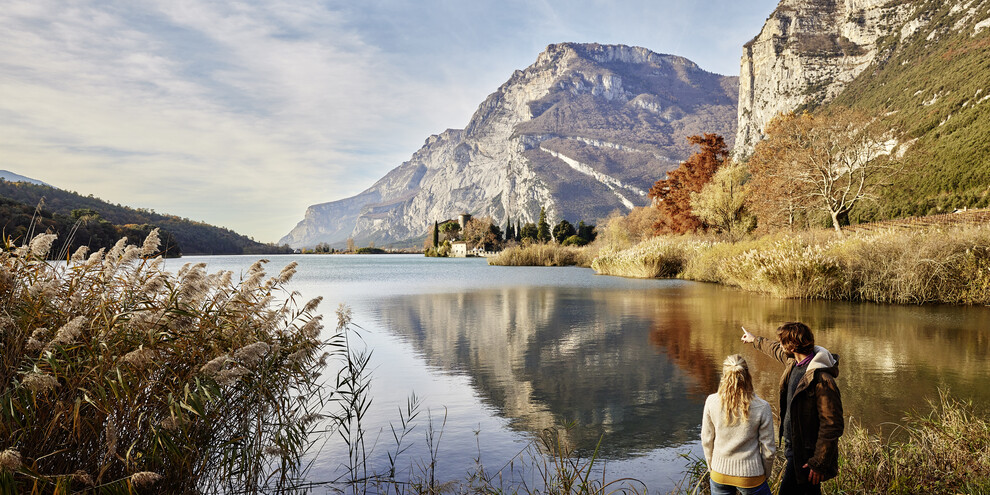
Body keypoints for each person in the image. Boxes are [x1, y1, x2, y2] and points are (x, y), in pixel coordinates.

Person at [741, 323, 843, 495]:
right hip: (793, 448)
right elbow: (774, 349)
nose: (780, 345)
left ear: (792, 346)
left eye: (782, 342)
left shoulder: (821, 379)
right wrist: (754, 340)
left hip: (807, 455)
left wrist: (819, 462)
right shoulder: (793, 363)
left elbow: (832, 425)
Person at [701, 354, 775, 495]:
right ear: (748, 375)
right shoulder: (762, 407)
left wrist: (712, 467)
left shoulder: (711, 402)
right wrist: (765, 473)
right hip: (751, 475)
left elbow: (706, 440)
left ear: (724, 375)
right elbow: (768, 450)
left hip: (719, 473)